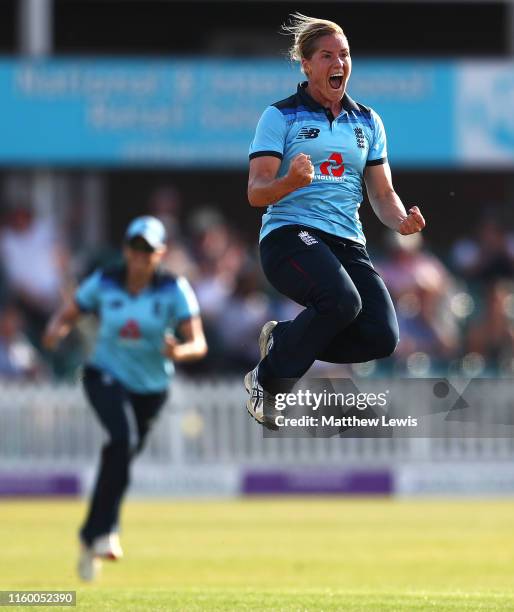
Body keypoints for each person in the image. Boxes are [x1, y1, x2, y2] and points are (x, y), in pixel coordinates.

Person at [244, 13, 425, 428]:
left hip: (347, 242)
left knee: (381, 336)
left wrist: (401, 220)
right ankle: (268, 381)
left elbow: (381, 193)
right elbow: (257, 192)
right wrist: (290, 181)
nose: (338, 63)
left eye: (344, 54)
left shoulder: (368, 121)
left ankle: (284, 340)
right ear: (306, 64)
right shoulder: (280, 116)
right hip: (290, 236)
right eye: (327, 55)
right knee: (343, 301)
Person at [42, 215, 207, 581]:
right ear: (125, 249)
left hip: (151, 388)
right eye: (135, 248)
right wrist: (56, 331)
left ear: (160, 253)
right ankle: (106, 533)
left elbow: (198, 342)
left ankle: (90, 536)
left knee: (120, 456)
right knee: (122, 440)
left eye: (148, 250)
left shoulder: (173, 288)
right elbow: (70, 313)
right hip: (104, 374)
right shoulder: (105, 281)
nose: (139, 256)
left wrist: (179, 352)